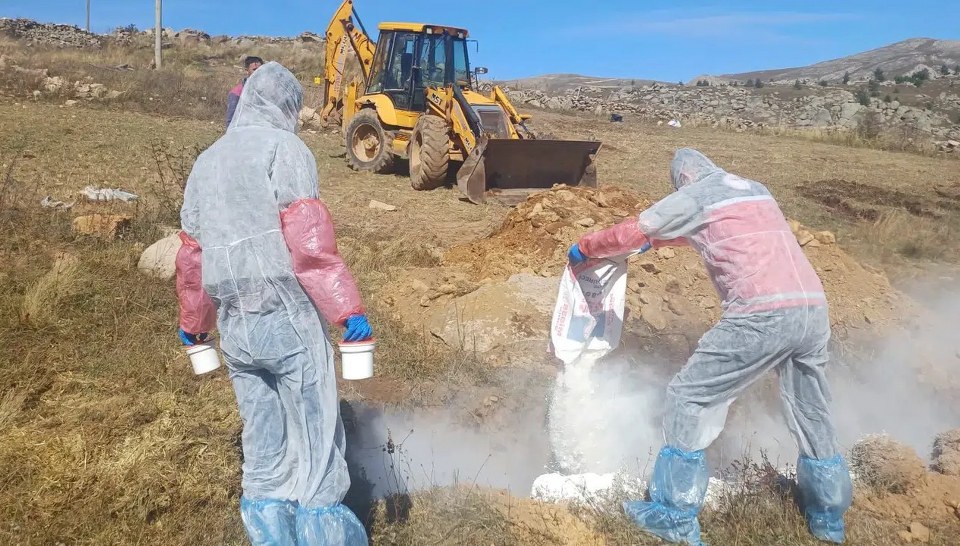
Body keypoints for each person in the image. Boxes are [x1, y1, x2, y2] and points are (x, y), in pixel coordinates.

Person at [568, 148, 853, 545]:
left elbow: (635, 230)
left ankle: (673, 515)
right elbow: (722, 231)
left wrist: (586, 247)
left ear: (682, 179)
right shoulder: (754, 189)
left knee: (689, 397)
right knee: (811, 407)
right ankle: (828, 515)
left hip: (760, 314)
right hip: (811, 309)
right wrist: (662, 243)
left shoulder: (693, 195)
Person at [176, 61, 371, 546]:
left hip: (235, 327)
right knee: (315, 430)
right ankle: (322, 528)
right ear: (285, 106)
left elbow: (192, 255)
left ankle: (270, 529)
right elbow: (309, 247)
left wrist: (194, 324)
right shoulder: (286, 149)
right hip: (287, 319)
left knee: (262, 434)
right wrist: (347, 313)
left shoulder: (207, 161)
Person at [225, 55, 264, 127]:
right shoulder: (237, 93)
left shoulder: (266, 90)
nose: (258, 72)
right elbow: (231, 120)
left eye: (260, 69)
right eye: (254, 69)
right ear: (247, 71)